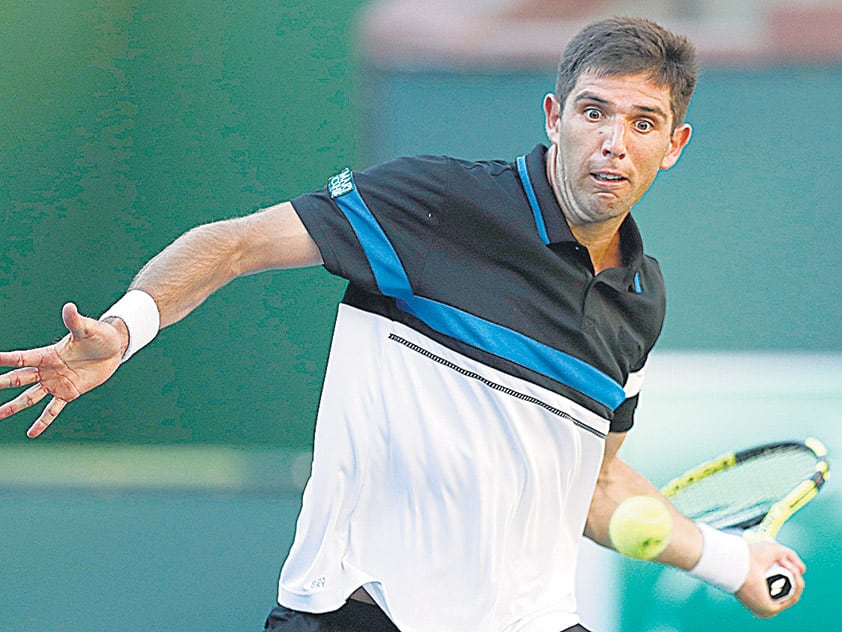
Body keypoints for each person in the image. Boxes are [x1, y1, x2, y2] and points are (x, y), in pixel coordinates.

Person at [0, 16, 806, 632]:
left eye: (642, 122)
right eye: (595, 112)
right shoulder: (436, 204)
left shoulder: (640, 298)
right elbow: (235, 244)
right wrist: (127, 326)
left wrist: (732, 561)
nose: (613, 142)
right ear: (555, 115)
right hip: (363, 611)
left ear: (673, 145)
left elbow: (594, 487)